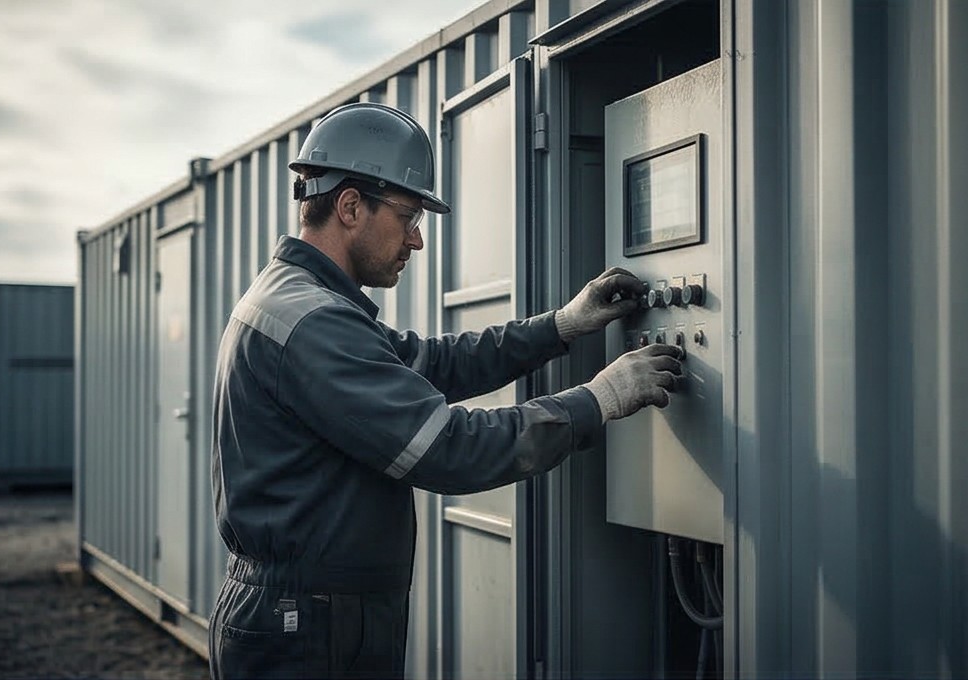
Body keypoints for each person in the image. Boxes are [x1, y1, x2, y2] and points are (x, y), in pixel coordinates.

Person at [208, 102, 684, 680]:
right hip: (307, 628)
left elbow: (428, 363)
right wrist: (599, 400)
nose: (416, 241)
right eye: (408, 217)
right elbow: (448, 448)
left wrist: (560, 326)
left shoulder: (301, 299)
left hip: (306, 613)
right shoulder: (314, 323)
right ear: (351, 206)